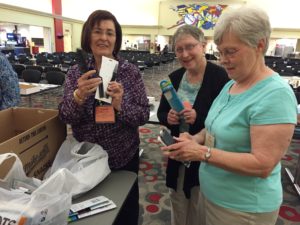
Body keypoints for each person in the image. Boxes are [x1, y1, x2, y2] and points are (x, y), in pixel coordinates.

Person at [161, 6, 297, 225]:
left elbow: (263, 164)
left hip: (244, 207)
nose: (223, 60)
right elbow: (213, 126)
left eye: (230, 51)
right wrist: (193, 139)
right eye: (220, 52)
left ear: (259, 45)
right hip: (214, 195)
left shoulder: (275, 94)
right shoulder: (233, 84)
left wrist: (202, 152)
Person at [58, 10, 150, 225]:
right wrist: (78, 96)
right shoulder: (76, 73)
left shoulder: (129, 72)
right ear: (88, 36)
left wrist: (120, 105)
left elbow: (143, 115)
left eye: (110, 33)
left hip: (123, 156)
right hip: (88, 159)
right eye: (98, 31)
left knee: (126, 212)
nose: (104, 38)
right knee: (93, 216)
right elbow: (65, 116)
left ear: (116, 39)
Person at [157, 25, 228, 225]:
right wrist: (168, 117)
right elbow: (162, 112)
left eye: (190, 47)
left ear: (203, 46)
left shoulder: (220, 77)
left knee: (200, 207)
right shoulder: (175, 77)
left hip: (205, 155)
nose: (185, 54)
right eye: (179, 49)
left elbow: (225, 117)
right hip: (178, 151)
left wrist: (198, 116)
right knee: (178, 201)